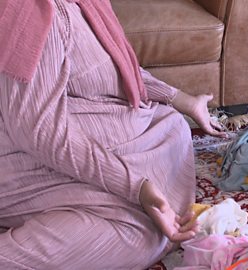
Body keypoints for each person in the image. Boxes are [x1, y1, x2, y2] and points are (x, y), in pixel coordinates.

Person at [0, 0, 226, 269]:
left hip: (94, 132)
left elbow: (117, 64)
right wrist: (135, 186)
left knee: (173, 126)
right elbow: (38, 131)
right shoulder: (32, 13)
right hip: (25, 160)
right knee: (141, 235)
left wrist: (180, 99)